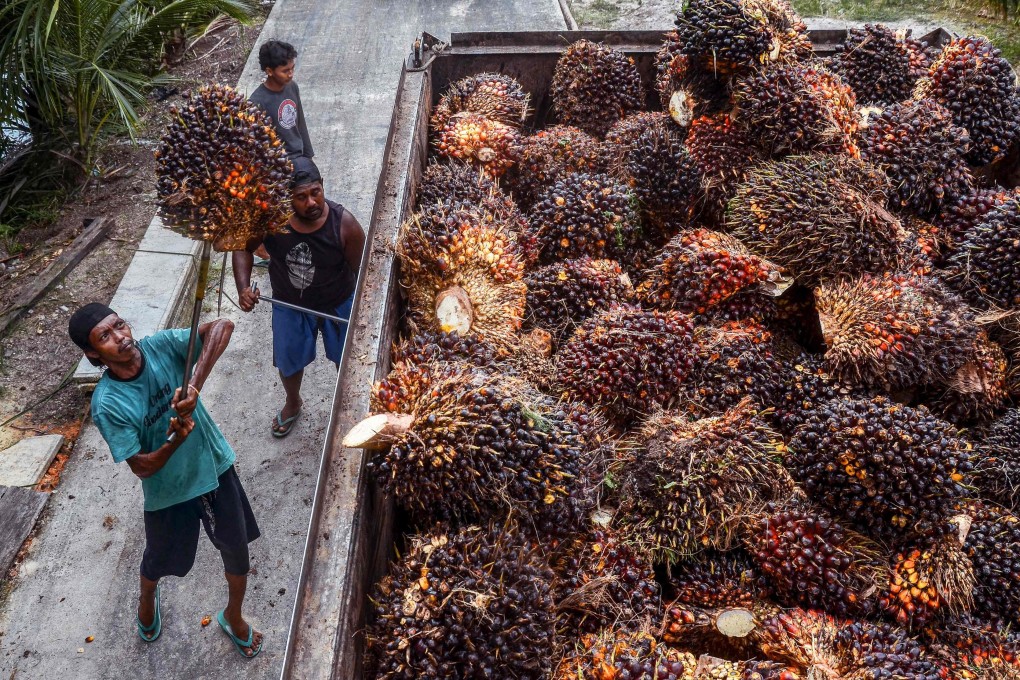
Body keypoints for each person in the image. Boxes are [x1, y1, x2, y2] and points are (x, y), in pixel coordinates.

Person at [68, 303, 263, 658]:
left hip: (214, 466)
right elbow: (140, 467)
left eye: (120, 325)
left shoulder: (160, 346)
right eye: (105, 337)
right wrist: (174, 441)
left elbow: (223, 325)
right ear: (93, 354)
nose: (121, 338)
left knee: (237, 552)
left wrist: (194, 384)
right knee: (160, 560)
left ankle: (233, 615)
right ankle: (146, 595)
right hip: (168, 492)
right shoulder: (108, 403)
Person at [233, 158, 365, 438]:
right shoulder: (271, 221)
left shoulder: (345, 225)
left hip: (338, 303)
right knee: (288, 361)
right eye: (301, 197)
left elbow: (366, 273)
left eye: (315, 192)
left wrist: (360, 312)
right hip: (289, 305)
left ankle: (349, 406)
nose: (311, 202)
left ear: (322, 186)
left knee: (349, 360)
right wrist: (243, 287)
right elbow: (242, 248)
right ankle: (293, 402)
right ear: (286, 198)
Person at [248, 40, 314, 160]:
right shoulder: (256, 102)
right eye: (285, 71)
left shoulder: (292, 87)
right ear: (269, 71)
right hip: (279, 163)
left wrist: (308, 156)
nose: (290, 74)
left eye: (292, 68)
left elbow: (300, 124)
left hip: (299, 156)